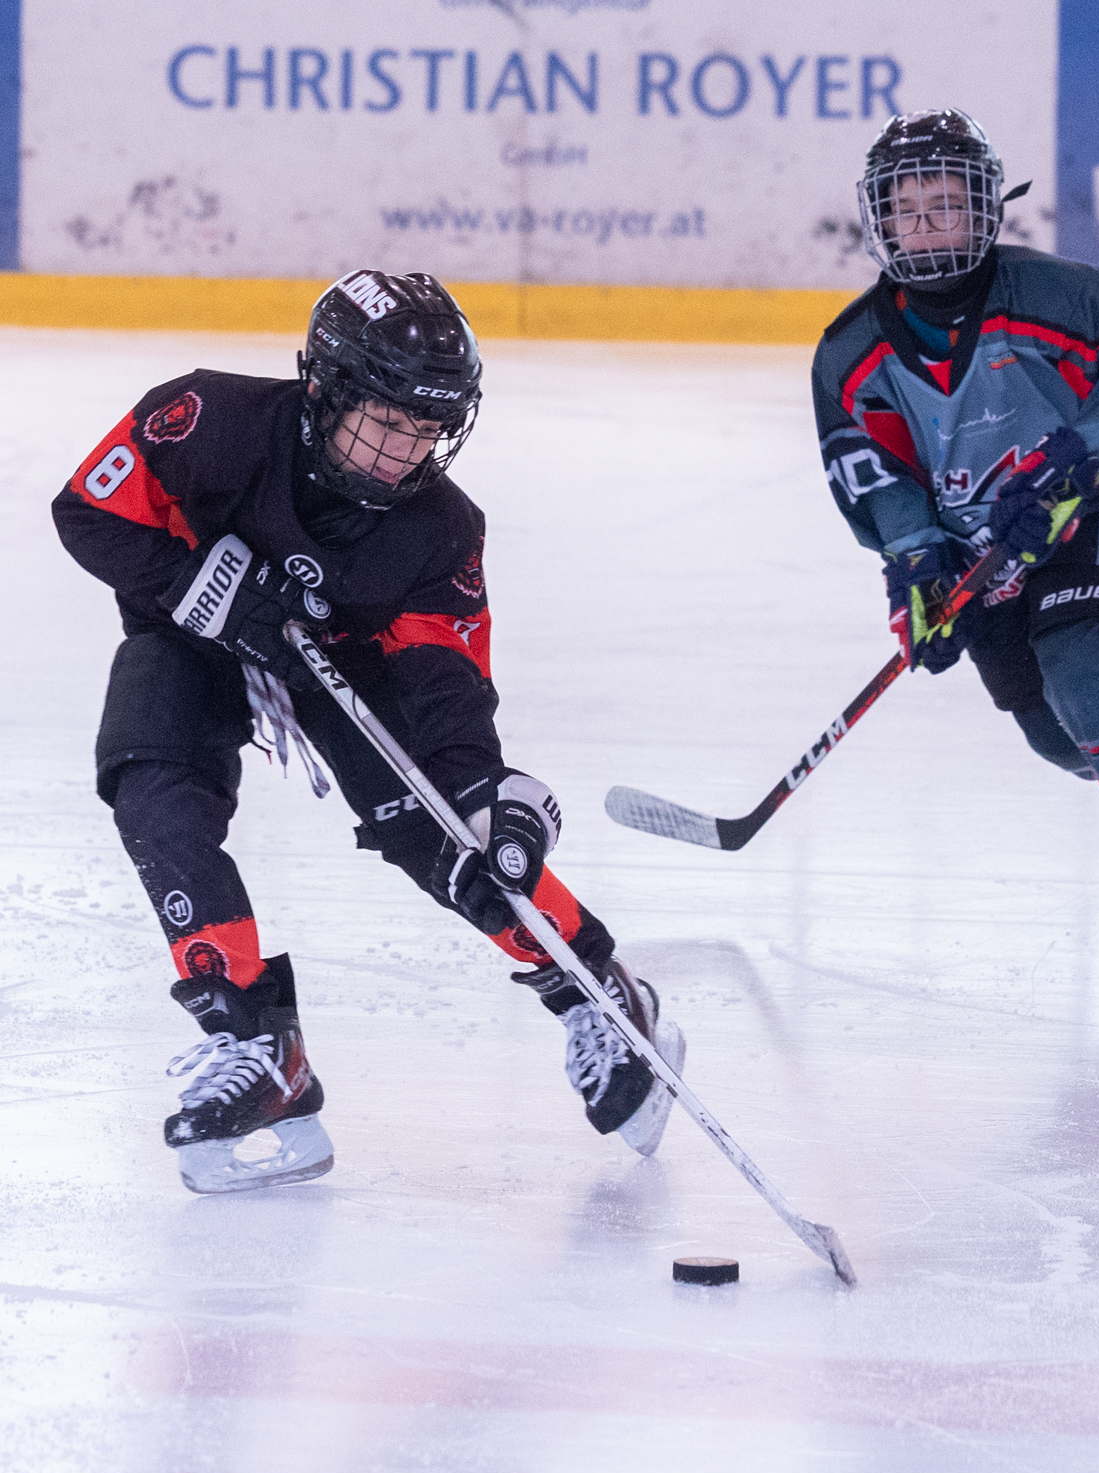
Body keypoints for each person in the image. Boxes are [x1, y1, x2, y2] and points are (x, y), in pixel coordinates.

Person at [52, 269, 685, 1194]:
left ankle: (596, 987)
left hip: (345, 664)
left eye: (428, 429)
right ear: (325, 388)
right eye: (387, 421)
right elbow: (87, 510)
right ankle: (260, 1048)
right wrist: (199, 586)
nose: (404, 453)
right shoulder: (209, 419)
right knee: (154, 793)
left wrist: (484, 790)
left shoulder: (440, 531)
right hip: (189, 637)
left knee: (445, 836)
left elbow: (446, 679)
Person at [812, 109, 1099, 964]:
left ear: (987, 209)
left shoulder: (1067, 296)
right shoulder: (849, 352)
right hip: (982, 548)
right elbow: (875, 475)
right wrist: (916, 561)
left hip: (1095, 506)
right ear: (879, 220)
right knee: (1053, 731)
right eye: (910, 209)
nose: (930, 224)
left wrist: (1073, 466)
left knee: (1084, 664)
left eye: (949, 204)